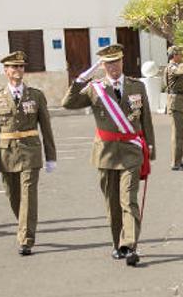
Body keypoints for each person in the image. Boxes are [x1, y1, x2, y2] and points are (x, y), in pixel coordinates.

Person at [62, 44, 156, 266]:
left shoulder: (137, 87)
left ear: (123, 62)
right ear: (102, 65)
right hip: (105, 154)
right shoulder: (95, 88)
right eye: (109, 63)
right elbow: (68, 103)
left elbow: (146, 119)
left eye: (117, 62)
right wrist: (79, 81)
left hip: (132, 152)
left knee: (129, 201)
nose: (114, 67)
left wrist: (150, 147)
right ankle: (117, 244)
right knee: (112, 204)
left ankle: (130, 245)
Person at [0, 51, 57, 256]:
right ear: (6, 71)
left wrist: (51, 156)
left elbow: (46, 127)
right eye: (14, 67)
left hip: (30, 152)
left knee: (28, 196)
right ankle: (24, 224)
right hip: (6, 153)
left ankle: (26, 239)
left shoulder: (35, 95)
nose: (18, 70)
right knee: (14, 196)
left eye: (21, 67)